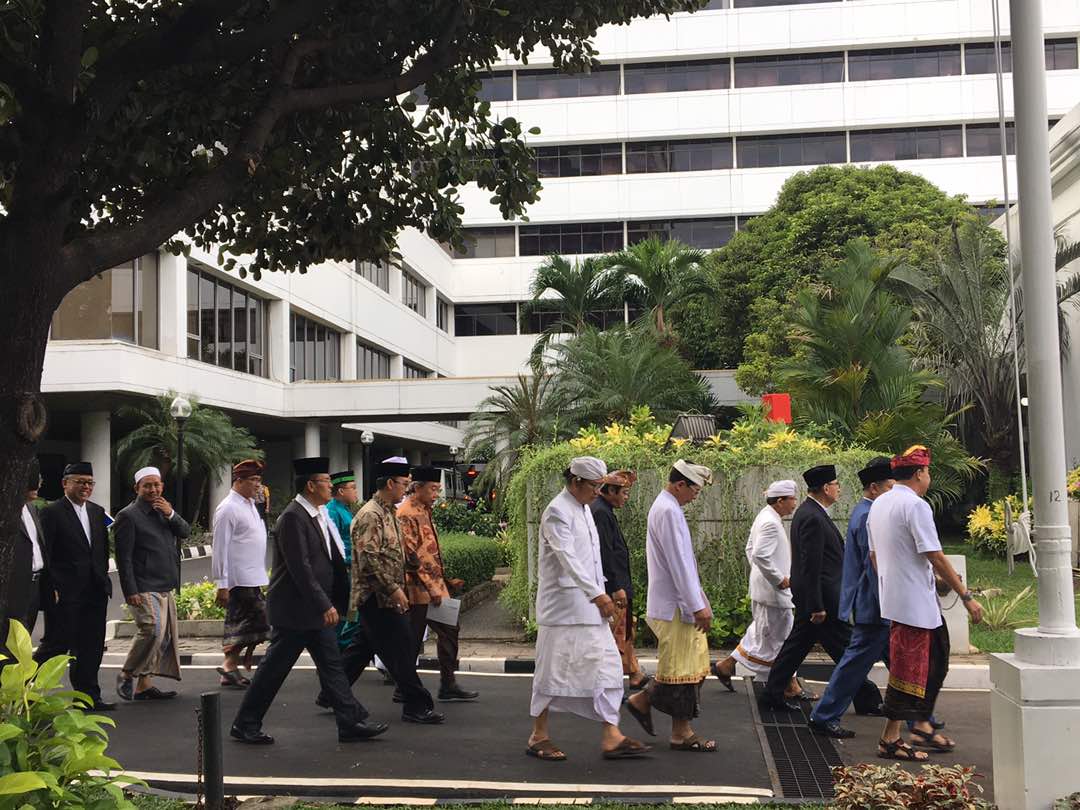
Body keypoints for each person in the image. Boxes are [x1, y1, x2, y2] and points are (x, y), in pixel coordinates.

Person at [230, 457, 388, 745]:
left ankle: (349, 722)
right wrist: (323, 605)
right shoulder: (293, 517)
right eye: (326, 481)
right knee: (273, 671)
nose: (331, 486)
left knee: (333, 666)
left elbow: (331, 559)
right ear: (311, 485)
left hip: (312, 610)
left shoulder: (316, 513)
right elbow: (300, 569)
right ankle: (245, 723)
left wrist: (339, 598)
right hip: (295, 611)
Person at [527, 456, 651, 761]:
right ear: (576, 482)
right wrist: (598, 595)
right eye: (595, 486)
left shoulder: (583, 508)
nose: (598, 492)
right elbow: (568, 558)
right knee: (550, 673)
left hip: (591, 609)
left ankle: (612, 735)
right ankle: (538, 735)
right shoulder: (557, 511)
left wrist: (601, 593)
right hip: (563, 611)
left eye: (601, 486)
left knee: (609, 667)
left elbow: (594, 561)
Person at [868, 445, 983, 761]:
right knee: (909, 671)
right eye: (928, 471)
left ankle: (920, 724)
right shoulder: (915, 506)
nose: (929, 476)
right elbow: (935, 555)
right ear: (919, 473)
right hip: (914, 604)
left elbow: (875, 556)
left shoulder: (880, 504)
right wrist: (966, 597)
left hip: (903, 600)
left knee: (934, 661)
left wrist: (893, 584)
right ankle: (891, 738)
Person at [758, 464, 882, 715]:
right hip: (822, 601)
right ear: (826, 488)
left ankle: (772, 694)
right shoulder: (813, 517)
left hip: (817, 599)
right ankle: (866, 699)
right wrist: (816, 605)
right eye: (836, 485)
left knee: (797, 649)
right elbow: (811, 565)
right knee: (849, 652)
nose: (839, 489)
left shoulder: (811, 512)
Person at [330, 459, 444, 724]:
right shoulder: (371, 515)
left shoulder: (388, 512)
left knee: (364, 647)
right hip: (376, 596)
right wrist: (393, 590)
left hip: (386, 594)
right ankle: (416, 704)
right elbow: (369, 560)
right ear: (390, 483)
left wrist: (416, 567)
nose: (406, 489)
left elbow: (397, 551)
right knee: (402, 649)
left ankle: (331, 694)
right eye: (404, 484)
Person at [625, 460, 716, 753]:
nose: (695, 497)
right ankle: (681, 732)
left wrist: (698, 601)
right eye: (695, 491)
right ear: (680, 485)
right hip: (676, 606)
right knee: (683, 670)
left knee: (687, 667)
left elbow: (683, 564)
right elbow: (679, 564)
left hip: (677, 603)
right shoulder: (668, 511)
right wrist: (696, 605)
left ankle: (644, 701)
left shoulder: (668, 508)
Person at [807, 457, 895, 738]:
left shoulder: (866, 511)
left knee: (900, 664)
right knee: (855, 665)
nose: (894, 494)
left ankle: (921, 718)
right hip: (875, 605)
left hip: (876, 605)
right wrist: (890, 602)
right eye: (890, 487)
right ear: (874, 488)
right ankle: (824, 715)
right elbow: (874, 566)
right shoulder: (868, 516)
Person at [34, 462, 115, 710]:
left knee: (91, 647)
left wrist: (103, 580)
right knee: (56, 645)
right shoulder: (52, 513)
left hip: (95, 590)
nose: (85, 487)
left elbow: (101, 551)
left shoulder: (97, 512)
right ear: (65, 483)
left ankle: (88, 697)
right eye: (79, 482)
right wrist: (50, 589)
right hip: (65, 593)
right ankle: (21, 690)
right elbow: (45, 553)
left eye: (89, 483)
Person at [398, 465, 478, 702]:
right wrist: (432, 586)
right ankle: (405, 687)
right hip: (417, 590)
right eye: (433, 489)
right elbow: (411, 556)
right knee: (412, 640)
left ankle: (447, 684)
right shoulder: (406, 513)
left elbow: (430, 553)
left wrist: (444, 581)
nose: (436, 494)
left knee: (449, 631)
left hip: (435, 587)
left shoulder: (425, 509)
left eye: (437, 489)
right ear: (417, 488)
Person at [710, 480, 797, 692]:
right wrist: (778, 579)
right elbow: (758, 554)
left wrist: (760, 575)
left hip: (765, 590)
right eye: (792, 499)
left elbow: (750, 550)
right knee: (784, 638)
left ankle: (726, 665)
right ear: (780, 501)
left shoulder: (764, 516)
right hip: (774, 593)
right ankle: (788, 684)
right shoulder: (770, 522)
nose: (795, 503)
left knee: (761, 633)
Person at [114, 466, 189, 701]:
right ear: (137, 488)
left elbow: (185, 532)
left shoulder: (163, 510)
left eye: (156, 485)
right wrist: (130, 590)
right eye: (147, 485)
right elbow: (123, 558)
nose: (153, 489)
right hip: (144, 584)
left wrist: (171, 514)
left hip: (165, 582)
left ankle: (144, 685)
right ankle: (127, 673)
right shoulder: (128, 516)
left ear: (162, 486)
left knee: (163, 636)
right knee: (152, 629)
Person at [212, 459, 271, 689]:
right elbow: (220, 548)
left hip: (253, 576)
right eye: (253, 480)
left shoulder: (250, 504)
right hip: (238, 579)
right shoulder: (228, 508)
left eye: (259, 480)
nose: (258, 485)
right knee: (256, 620)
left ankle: (230, 666)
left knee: (248, 623)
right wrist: (222, 583)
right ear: (239, 480)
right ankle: (229, 665)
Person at [590, 469, 648, 691]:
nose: (626, 497)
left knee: (625, 631)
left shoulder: (604, 511)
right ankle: (610, 686)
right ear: (611, 491)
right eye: (623, 492)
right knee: (616, 636)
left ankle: (634, 673)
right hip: (613, 587)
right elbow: (605, 553)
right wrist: (616, 587)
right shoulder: (601, 513)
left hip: (618, 583)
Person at [326, 470, 363, 650]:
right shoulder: (332, 511)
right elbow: (333, 546)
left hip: (352, 569)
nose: (356, 491)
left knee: (352, 616)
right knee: (348, 616)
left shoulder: (344, 509)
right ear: (341, 491)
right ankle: (338, 651)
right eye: (353, 488)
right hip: (344, 571)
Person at [12, 458, 50, 635]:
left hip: (35, 586)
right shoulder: (7, 512)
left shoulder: (33, 509)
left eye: (39, 479)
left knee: (26, 638)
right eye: (34, 479)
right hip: (14, 588)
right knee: (12, 640)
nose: (38, 484)